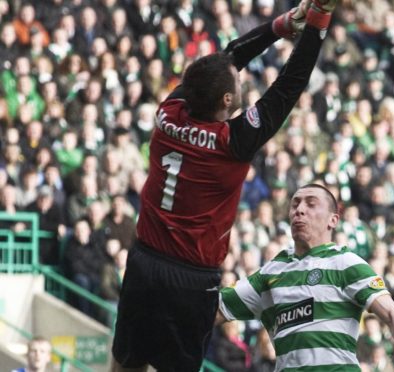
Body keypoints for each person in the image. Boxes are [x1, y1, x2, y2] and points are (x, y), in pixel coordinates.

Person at [111, 1, 341, 371]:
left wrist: (281, 26)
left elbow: (224, 60)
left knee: (125, 361)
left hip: (144, 259)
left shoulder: (169, 111)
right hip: (190, 275)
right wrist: (316, 27)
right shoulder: (230, 143)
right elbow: (287, 87)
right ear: (228, 101)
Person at [217, 184, 394, 371]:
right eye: (295, 204)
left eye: (311, 204)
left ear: (332, 220)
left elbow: (393, 313)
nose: (299, 210)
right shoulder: (271, 273)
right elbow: (212, 310)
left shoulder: (346, 263)